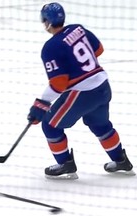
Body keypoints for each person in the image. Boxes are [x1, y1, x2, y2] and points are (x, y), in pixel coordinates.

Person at [27, 2, 135, 179]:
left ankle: (65, 164)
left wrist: (41, 105)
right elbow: (98, 49)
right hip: (103, 86)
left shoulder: (51, 47)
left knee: (50, 124)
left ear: (46, 22)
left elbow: (59, 84)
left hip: (83, 93)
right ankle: (120, 160)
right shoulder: (78, 29)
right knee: (99, 124)